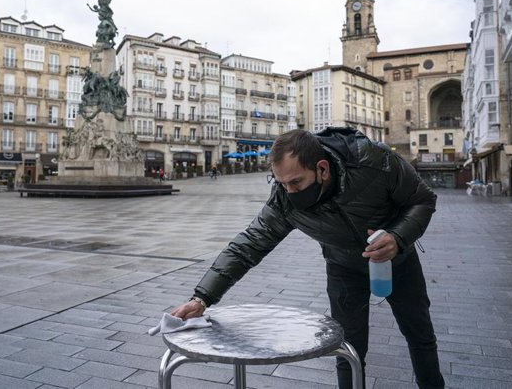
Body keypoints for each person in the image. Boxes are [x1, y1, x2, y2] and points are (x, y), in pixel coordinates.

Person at [171, 128, 444, 389]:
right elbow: (248, 246)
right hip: (343, 266)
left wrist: (397, 237)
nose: (289, 191)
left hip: (397, 260)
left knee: (419, 334)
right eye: (282, 183)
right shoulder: (285, 200)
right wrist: (202, 298)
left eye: (296, 182)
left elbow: (422, 199)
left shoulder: (373, 161)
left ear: (322, 169)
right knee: (349, 346)